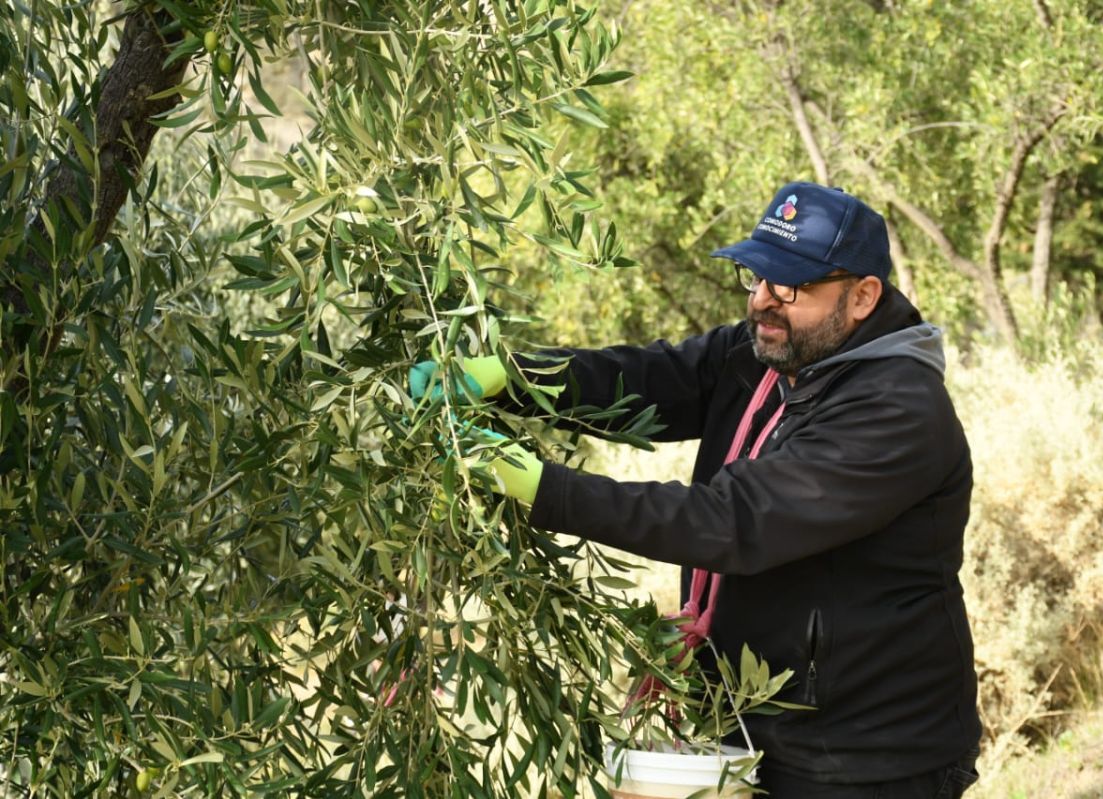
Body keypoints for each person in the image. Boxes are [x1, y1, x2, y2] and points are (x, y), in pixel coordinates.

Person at [410, 182, 982, 797]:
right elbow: (647, 379)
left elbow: (731, 522)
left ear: (863, 295)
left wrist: (544, 487)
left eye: (790, 286)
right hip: (751, 728)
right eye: (756, 276)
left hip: (869, 756)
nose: (762, 301)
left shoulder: (896, 411)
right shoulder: (769, 353)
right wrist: (512, 377)